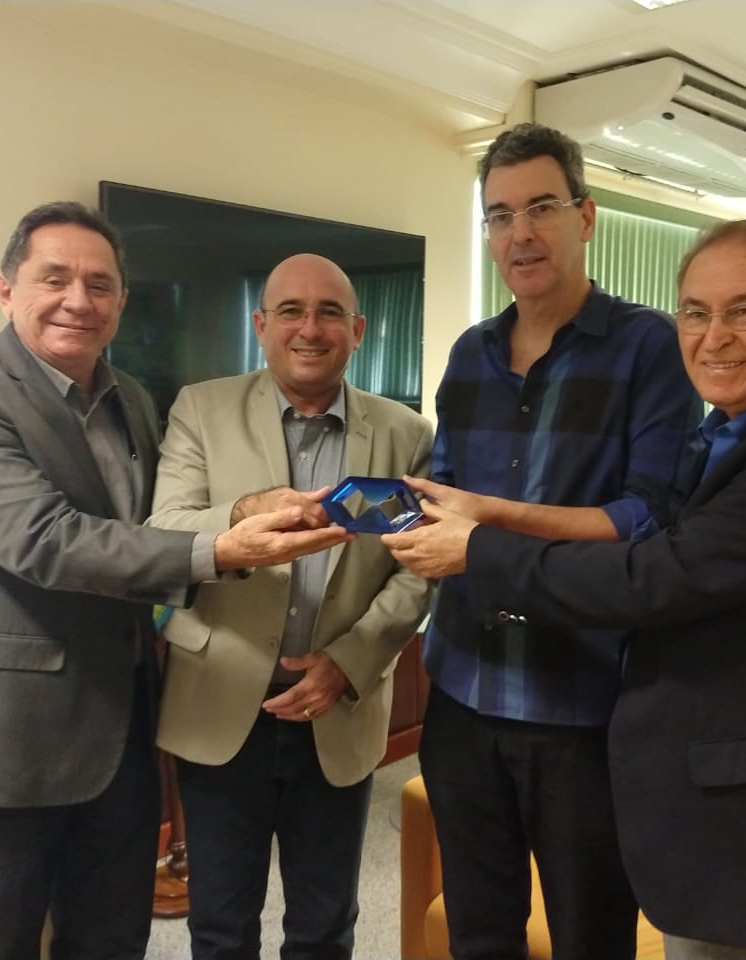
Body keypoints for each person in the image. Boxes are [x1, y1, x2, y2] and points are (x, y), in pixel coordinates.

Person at [385, 218, 746, 959]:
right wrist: (488, 514)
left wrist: (478, 548)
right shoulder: (733, 430)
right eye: (696, 312)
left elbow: (656, 576)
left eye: (744, 310)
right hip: (714, 801)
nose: (713, 337)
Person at [0, 202, 346, 960]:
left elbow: (151, 523)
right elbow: (46, 541)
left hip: (123, 737)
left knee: (113, 940)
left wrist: (238, 512)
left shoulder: (133, 400)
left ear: (120, 302)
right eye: (55, 278)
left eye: (99, 284)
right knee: (5, 944)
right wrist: (220, 548)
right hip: (8, 747)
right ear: (6, 289)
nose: (78, 300)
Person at [394, 122, 698, 960]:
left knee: (589, 937)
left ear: (585, 216)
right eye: (499, 216)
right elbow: (445, 504)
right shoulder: (470, 354)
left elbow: (648, 520)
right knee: (479, 931)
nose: (519, 233)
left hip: (582, 703)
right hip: (463, 693)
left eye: (541, 208)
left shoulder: (650, 347)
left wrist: (486, 524)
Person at [147, 253, 434, 960]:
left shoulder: (405, 435)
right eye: (290, 312)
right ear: (260, 325)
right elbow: (163, 531)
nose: (310, 329)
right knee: (220, 927)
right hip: (220, 704)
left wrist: (349, 661)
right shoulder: (200, 409)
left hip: (337, 709)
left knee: (325, 927)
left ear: (357, 330)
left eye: (329, 312)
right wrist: (242, 513)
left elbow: (417, 569)